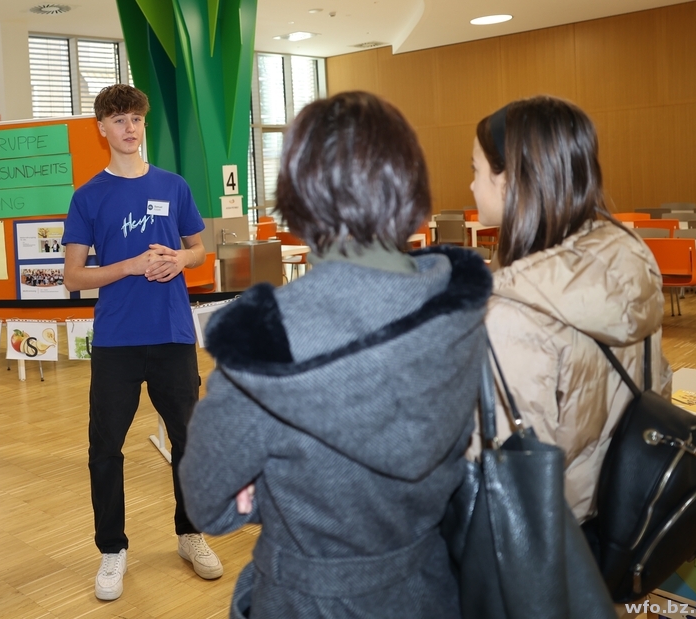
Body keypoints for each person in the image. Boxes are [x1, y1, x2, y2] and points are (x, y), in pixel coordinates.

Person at [180, 91, 493, 618]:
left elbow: (208, 503)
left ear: (299, 189)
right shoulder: (458, 305)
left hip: (306, 600)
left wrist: (264, 489)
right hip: (431, 587)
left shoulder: (266, 342)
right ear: (409, 181)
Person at [466, 95, 672, 525]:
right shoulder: (628, 262)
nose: (470, 186)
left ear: (510, 181)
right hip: (626, 507)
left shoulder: (512, 314)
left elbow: (505, 479)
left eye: (476, 170)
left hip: (555, 533)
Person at [61, 83, 222, 602]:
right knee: (105, 448)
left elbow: (199, 250)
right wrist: (129, 265)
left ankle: (190, 534)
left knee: (188, 442)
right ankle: (112, 548)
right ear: (102, 129)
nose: (129, 128)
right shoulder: (88, 196)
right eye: (119, 120)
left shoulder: (173, 186)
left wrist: (180, 259)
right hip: (117, 341)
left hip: (172, 334)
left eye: (135, 119)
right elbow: (73, 276)